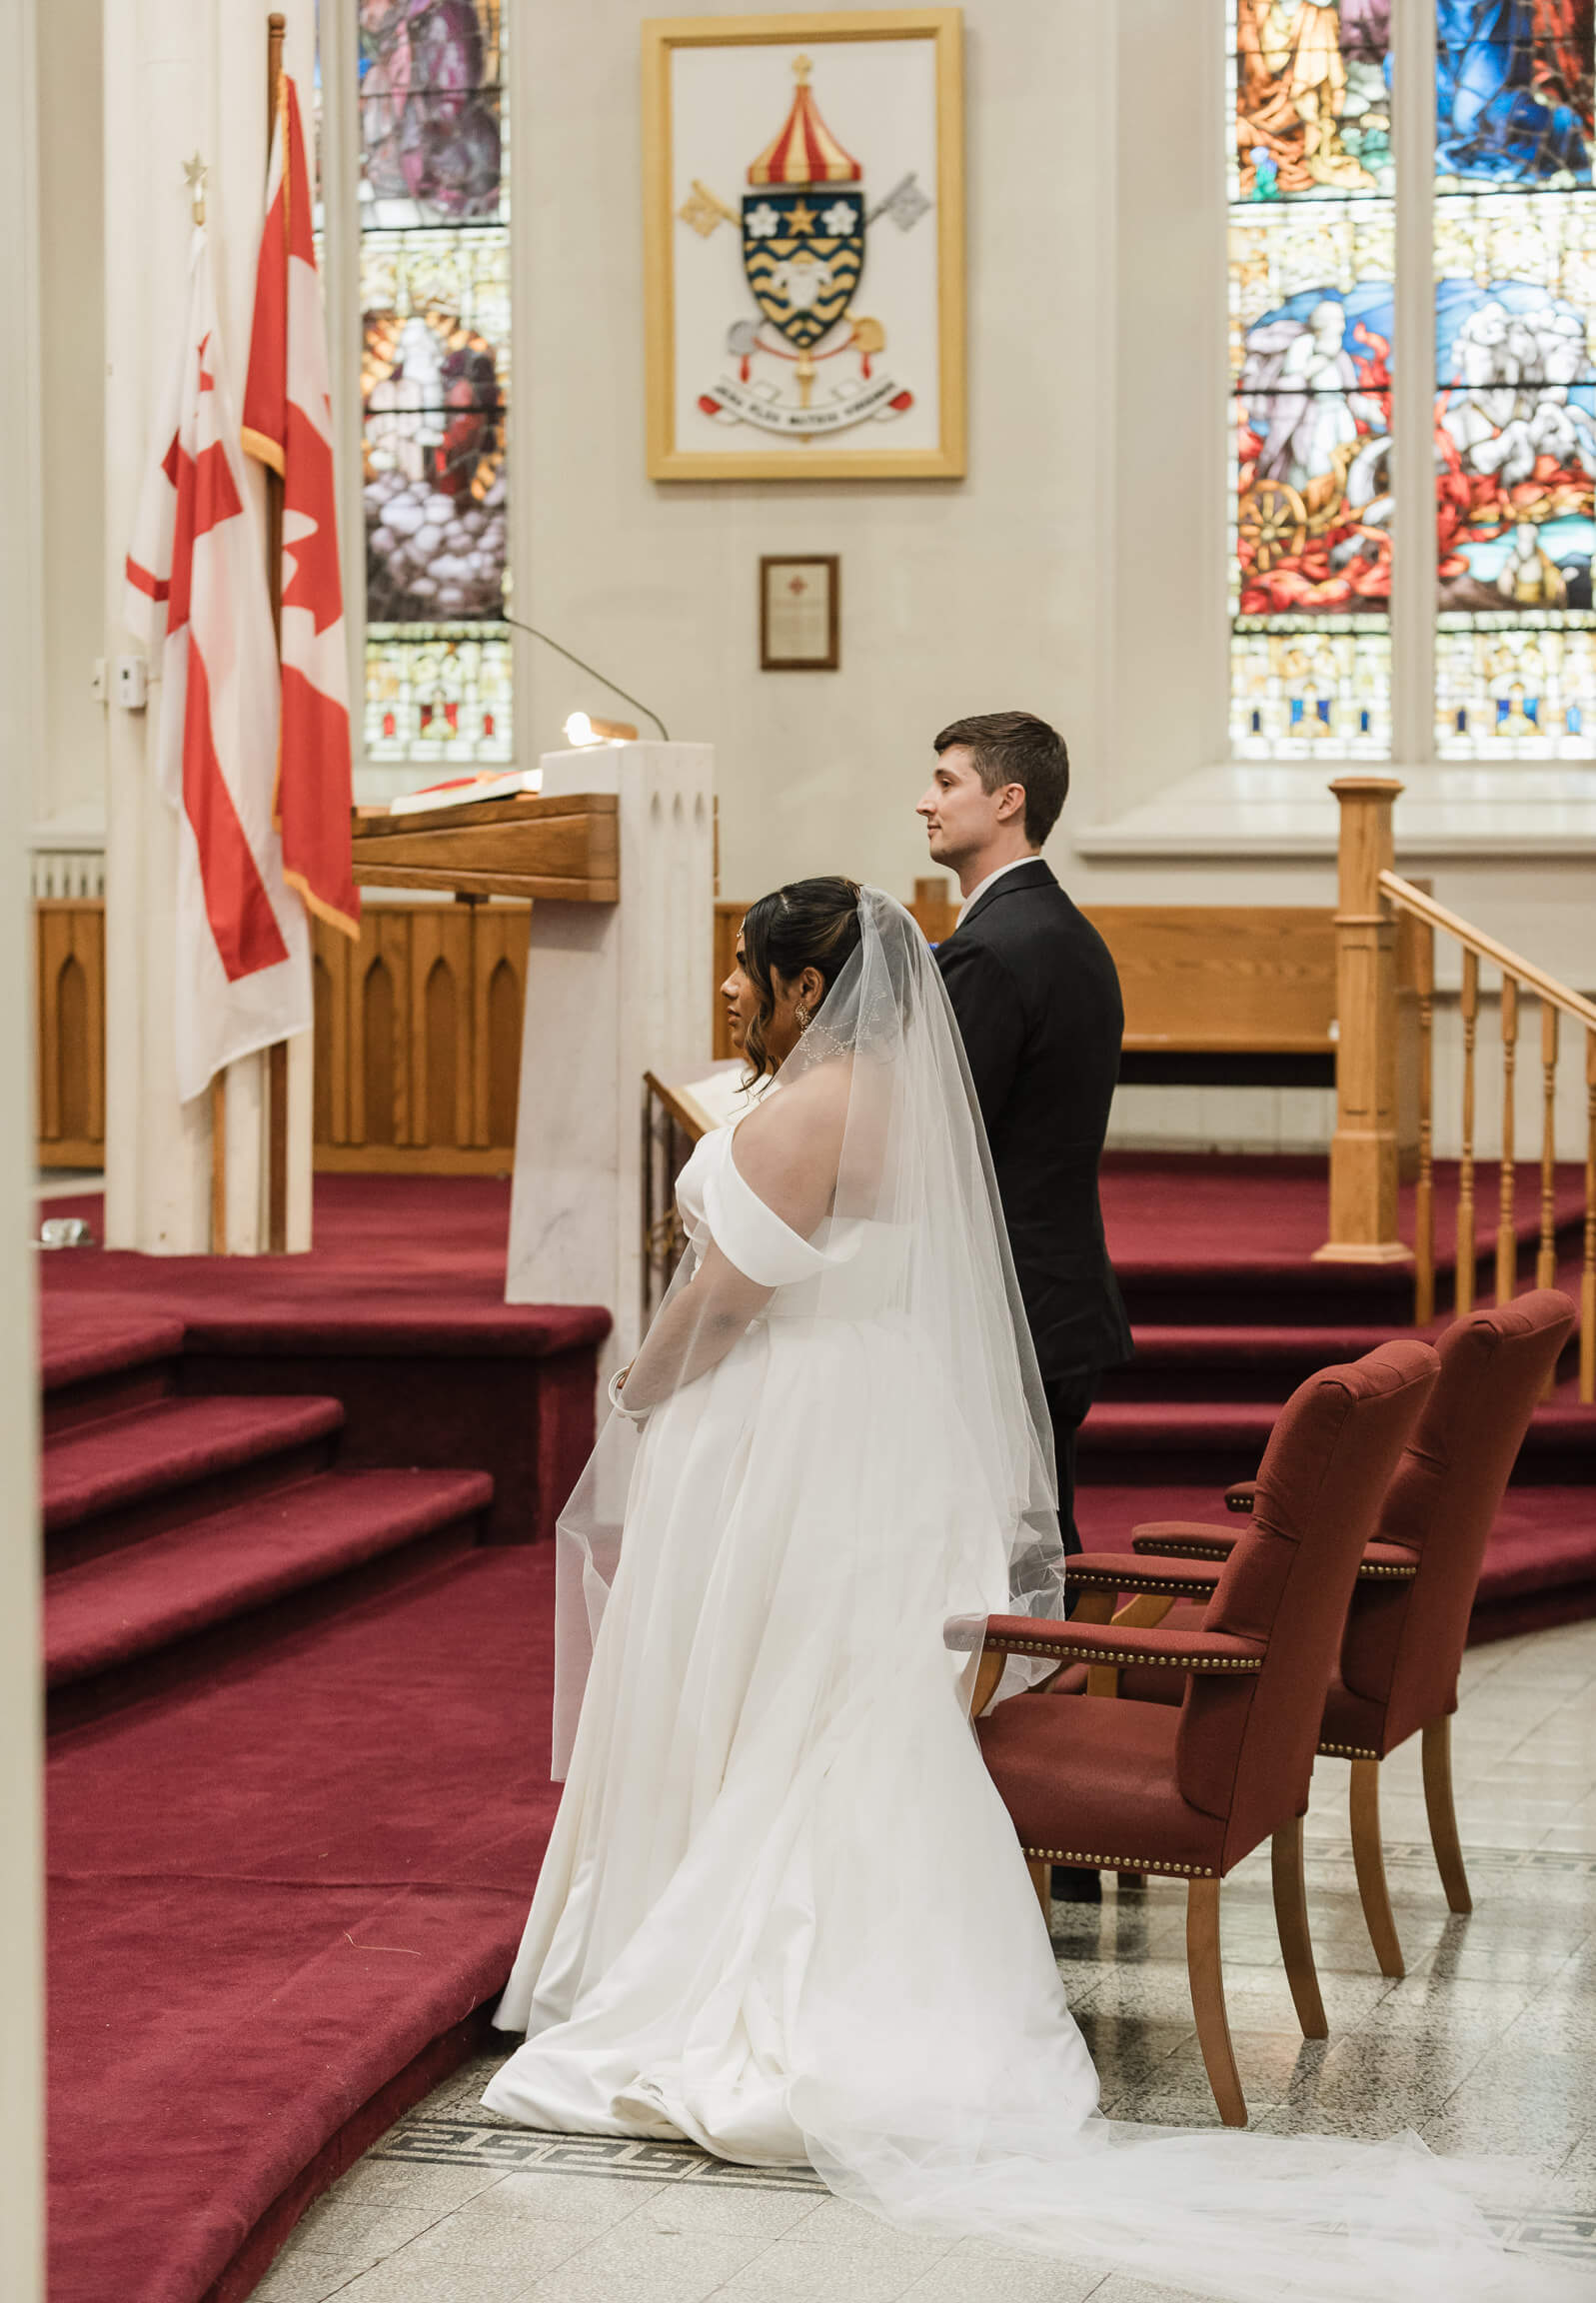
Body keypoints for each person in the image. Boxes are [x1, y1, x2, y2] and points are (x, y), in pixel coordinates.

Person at [482, 881, 1548, 2303]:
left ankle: (707, 1957)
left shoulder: (803, 1115)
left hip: (787, 1429)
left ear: (805, 988)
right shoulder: (915, 1114)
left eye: (748, 974)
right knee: (850, 1693)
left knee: (769, 1686)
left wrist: (640, 1385)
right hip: (885, 1431)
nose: (734, 996)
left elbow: (723, 1298)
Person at [916, 712, 1130, 1558]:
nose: (924, 802)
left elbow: (938, 1133)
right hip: (1055, 1288)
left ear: (1008, 800)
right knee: (1038, 1532)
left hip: (1005, 1300)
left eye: (945, 782)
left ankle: (1037, 1692)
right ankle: (1055, 1684)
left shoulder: (995, 950)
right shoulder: (1061, 931)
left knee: (1008, 1548)